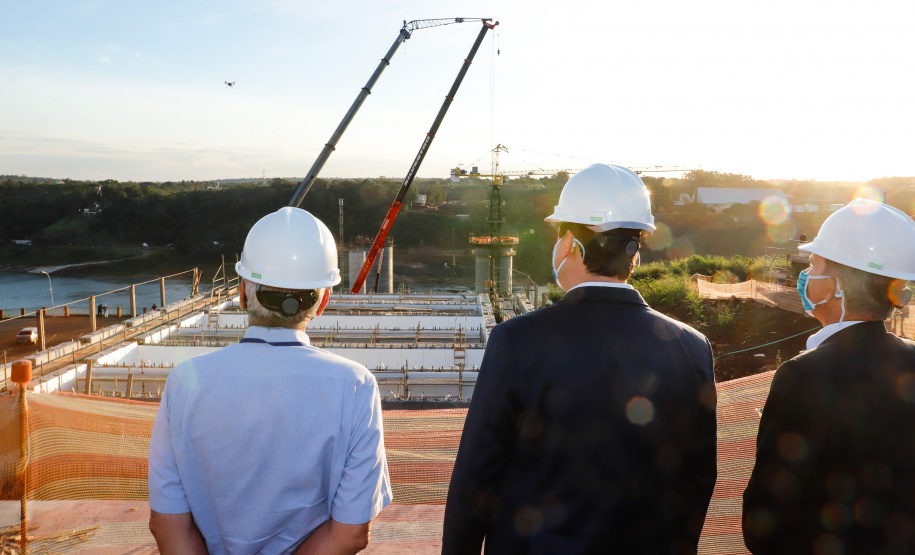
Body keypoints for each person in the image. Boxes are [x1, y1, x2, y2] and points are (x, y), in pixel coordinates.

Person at [442, 164, 718, 554]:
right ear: (635, 251)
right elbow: (698, 477)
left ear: (570, 241)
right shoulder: (692, 346)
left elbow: (476, 478)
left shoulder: (518, 340)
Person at [149, 207, 392, 555]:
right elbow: (351, 534)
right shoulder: (355, 386)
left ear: (243, 292)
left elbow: (167, 525)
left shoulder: (185, 382)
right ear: (322, 300)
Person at [742, 198, 915, 554]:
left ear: (835, 284)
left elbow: (765, 521)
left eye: (814, 264)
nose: (806, 274)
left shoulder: (804, 376)